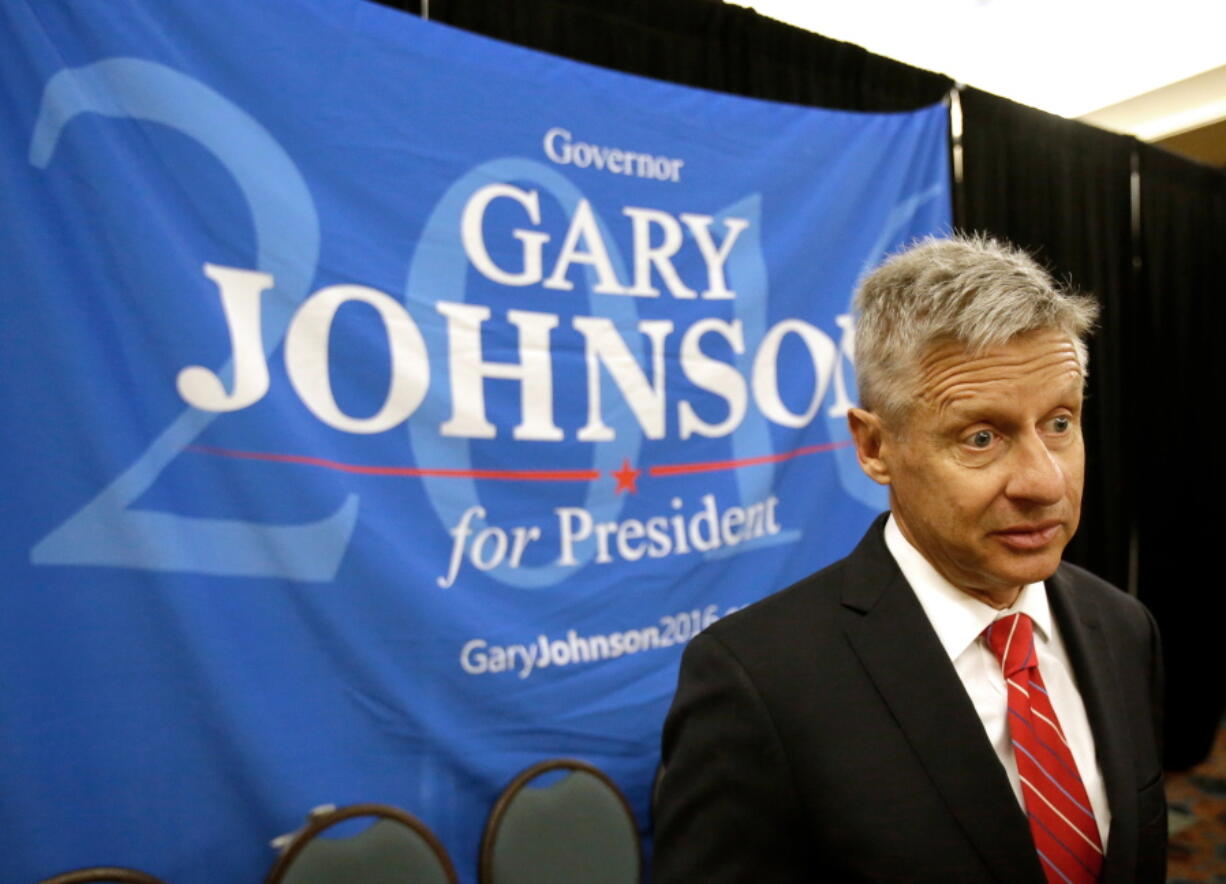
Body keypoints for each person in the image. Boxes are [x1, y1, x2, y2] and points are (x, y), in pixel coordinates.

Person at [653, 235, 1165, 884]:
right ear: (874, 446)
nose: (1044, 481)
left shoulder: (1124, 628)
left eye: (1059, 423)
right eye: (982, 436)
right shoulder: (755, 688)